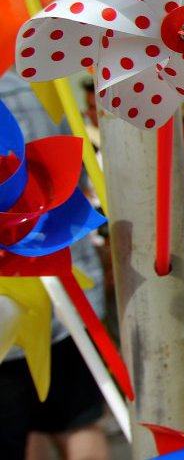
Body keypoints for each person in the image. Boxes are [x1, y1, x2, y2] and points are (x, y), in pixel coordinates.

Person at [0, 73, 110, 460]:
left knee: (23, 431)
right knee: (77, 422)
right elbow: (73, 171)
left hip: (12, 313)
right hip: (64, 291)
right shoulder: (33, 80)